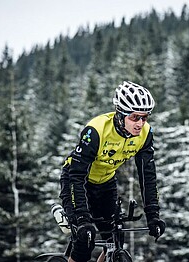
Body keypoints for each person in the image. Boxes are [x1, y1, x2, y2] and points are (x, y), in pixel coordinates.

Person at [59, 81, 166, 262]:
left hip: (105, 182)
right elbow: (76, 176)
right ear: (120, 114)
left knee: (115, 240)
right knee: (85, 239)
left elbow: (148, 177)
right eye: (134, 117)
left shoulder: (145, 134)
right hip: (76, 180)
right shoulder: (96, 131)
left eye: (145, 117)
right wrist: (83, 218)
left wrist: (153, 215)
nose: (140, 123)